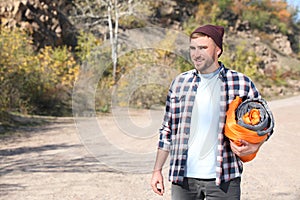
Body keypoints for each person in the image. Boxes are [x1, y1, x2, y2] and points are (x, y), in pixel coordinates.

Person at [150, 24, 274, 200]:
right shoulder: (179, 83)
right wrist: (157, 171)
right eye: (193, 48)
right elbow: (167, 130)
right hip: (183, 179)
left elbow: (265, 125)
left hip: (224, 179)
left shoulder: (240, 83)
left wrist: (255, 145)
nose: (196, 54)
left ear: (218, 50)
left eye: (203, 48)